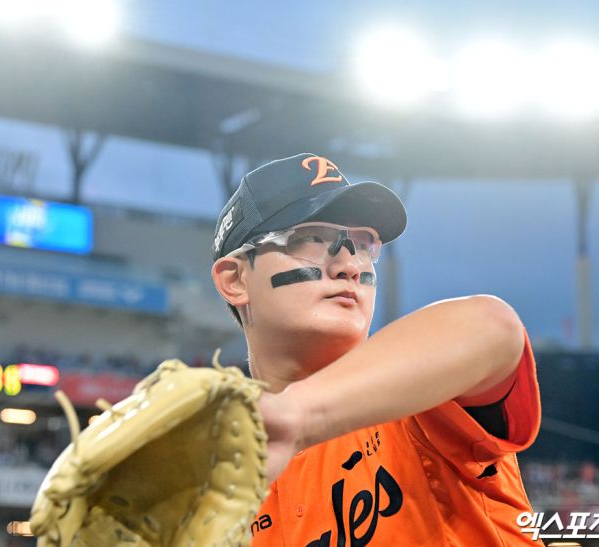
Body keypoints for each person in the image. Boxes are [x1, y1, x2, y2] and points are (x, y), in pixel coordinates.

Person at [211, 153, 542, 546]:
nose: (350, 265)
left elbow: (493, 327)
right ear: (235, 280)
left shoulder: (417, 397)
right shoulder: (212, 494)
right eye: (310, 239)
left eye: (362, 244)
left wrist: (296, 414)